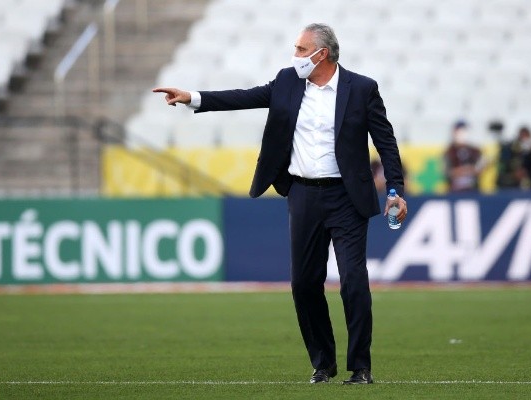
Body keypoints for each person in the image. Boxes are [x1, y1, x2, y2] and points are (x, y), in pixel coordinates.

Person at [153, 23, 407, 385]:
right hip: (303, 195)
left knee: (353, 282)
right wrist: (192, 96)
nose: (296, 55)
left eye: (302, 50)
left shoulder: (362, 88)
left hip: (347, 198)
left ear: (323, 54)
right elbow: (244, 97)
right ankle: (323, 363)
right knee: (304, 284)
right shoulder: (288, 81)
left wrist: (395, 189)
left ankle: (360, 366)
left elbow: (386, 141)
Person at [443, 120, 484, 192]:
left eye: (464, 131)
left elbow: (479, 169)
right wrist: (465, 170)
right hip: (455, 190)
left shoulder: (475, 151)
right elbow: (447, 172)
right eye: (460, 131)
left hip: (473, 189)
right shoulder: (449, 152)